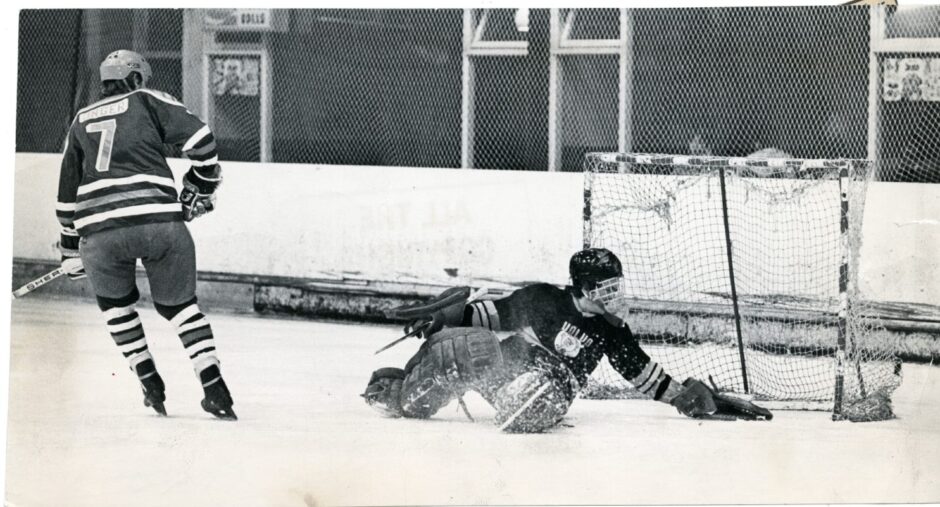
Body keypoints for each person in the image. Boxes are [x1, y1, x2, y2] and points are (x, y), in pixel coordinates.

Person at [363, 248, 770, 432]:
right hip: (506, 371)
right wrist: (444, 318)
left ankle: (524, 404)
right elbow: (489, 314)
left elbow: (642, 372)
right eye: (606, 288)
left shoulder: (613, 331)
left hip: (552, 386)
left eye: (617, 286)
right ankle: (406, 394)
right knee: (469, 346)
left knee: (545, 390)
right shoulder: (543, 299)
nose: (614, 295)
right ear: (584, 287)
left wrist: (682, 395)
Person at [56, 50, 236, 420]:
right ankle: (214, 385)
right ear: (136, 78)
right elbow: (202, 141)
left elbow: (66, 193)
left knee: (116, 307)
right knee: (182, 309)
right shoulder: (146, 100)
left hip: (99, 232)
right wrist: (202, 178)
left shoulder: (81, 119)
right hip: (159, 223)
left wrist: (69, 247)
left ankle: (149, 380)